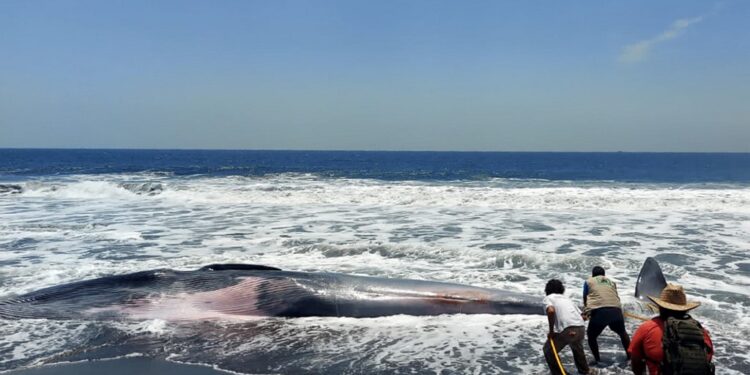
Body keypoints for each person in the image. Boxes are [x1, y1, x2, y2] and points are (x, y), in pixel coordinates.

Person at [628, 283, 714, 375]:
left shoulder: (648, 327)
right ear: (685, 309)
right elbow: (707, 359)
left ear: (660, 307)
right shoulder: (700, 331)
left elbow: (636, 361)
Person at [543, 279, 594, 375]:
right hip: (581, 328)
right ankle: (586, 371)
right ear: (561, 289)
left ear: (547, 289)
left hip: (568, 329)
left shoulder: (548, 298)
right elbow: (583, 317)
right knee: (577, 348)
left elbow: (550, 311)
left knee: (548, 350)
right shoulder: (567, 299)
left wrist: (551, 331)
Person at [582, 266, 631, 363]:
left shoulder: (588, 281)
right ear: (604, 275)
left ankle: (597, 360)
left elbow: (585, 297)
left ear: (593, 275)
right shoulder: (611, 282)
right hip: (616, 310)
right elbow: (615, 296)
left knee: (591, 336)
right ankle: (631, 357)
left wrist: (586, 312)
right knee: (622, 333)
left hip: (600, 311)